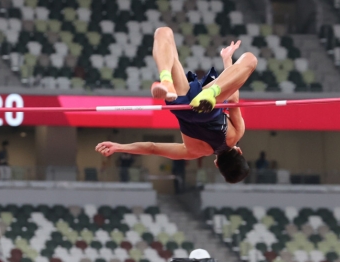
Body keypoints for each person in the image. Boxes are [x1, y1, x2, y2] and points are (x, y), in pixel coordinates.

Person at [96, 27, 257, 184]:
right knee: (165, 39)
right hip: (182, 107)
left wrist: (227, 60)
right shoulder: (194, 152)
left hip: (207, 104)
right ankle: (168, 82)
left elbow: (234, 95)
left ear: (240, 151)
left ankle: (174, 81)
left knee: (250, 59)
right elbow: (153, 148)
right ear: (216, 164)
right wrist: (118, 147)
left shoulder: (236, 134)